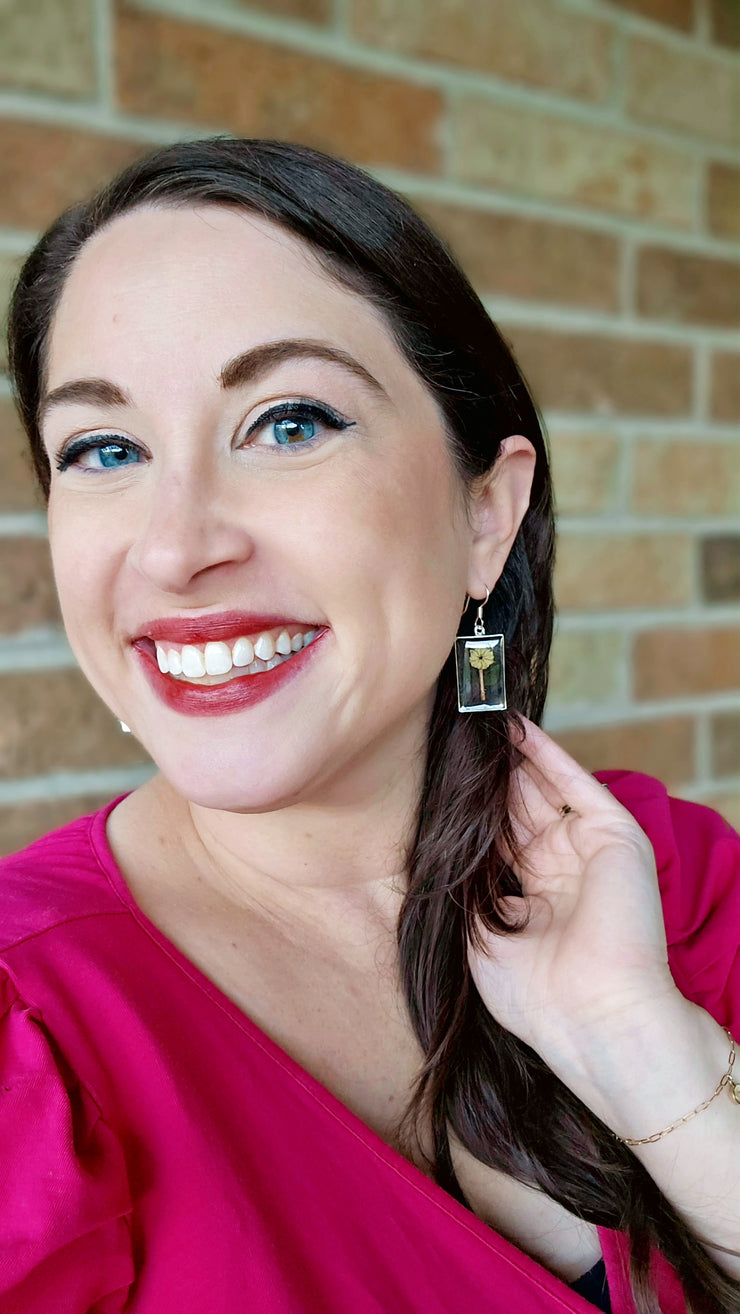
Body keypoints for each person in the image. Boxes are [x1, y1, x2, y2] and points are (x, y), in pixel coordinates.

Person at [1, 138, 739, 1314]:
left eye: (288, 423)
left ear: (485, 514)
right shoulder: (27, 1036)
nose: (178, 545)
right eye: (105, 449)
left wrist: (638, 1042)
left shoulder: (666, 884)